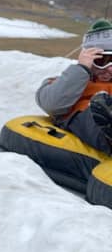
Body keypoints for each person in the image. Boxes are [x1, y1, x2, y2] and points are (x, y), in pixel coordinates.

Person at [36, 19, 112, 153]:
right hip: (86, 121)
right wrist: (81, 69)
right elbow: (52, 104)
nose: (110, 69)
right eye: (102, 61)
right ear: (88, 57)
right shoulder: (70, 80)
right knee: (94, 113)